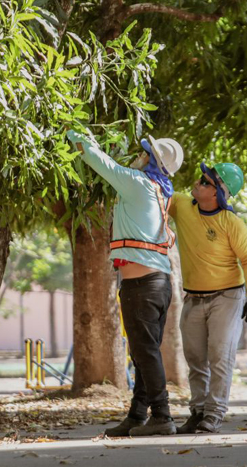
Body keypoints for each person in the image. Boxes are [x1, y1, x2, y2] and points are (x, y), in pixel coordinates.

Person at [66, 129, 184, 437]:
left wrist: (72, 132)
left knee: (145, 352)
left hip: (142, 287)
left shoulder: (138, 183)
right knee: (145, 352)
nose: (138, 154)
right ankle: (138, 414)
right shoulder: (159, 190)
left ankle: (162, 415)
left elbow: (96, 159)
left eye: (143, 152)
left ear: (149, 161)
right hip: (157, 284)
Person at [169, 162, 247, 434]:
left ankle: (215, 413)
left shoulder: (231, 223)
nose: (198, 182)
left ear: (218, 193)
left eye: (206, 182)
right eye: (201, 178)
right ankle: (198, 412)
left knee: (219, 356)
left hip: (228, 296)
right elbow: (155, 190)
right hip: (194, 297)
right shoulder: (182, 205)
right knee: (195, 359)